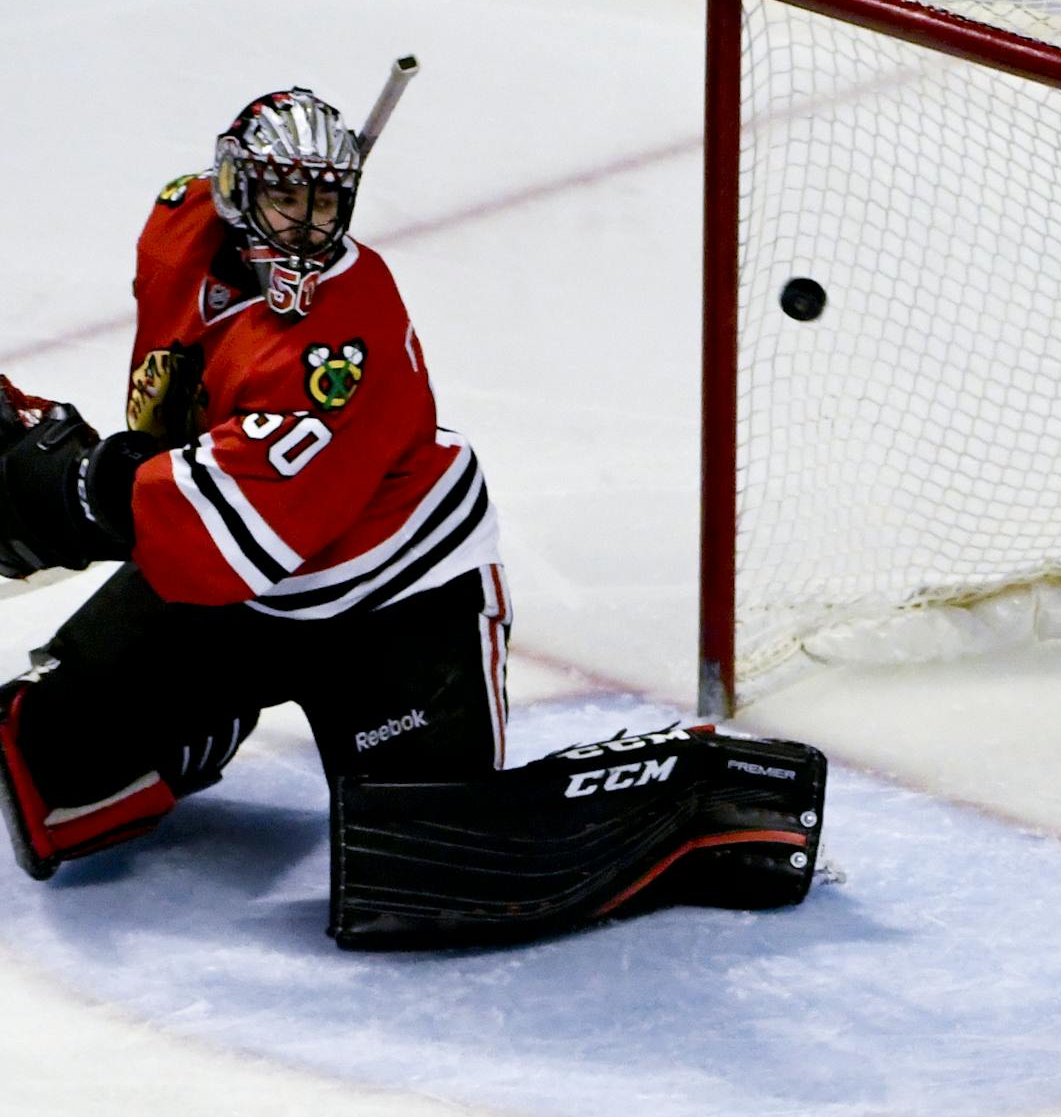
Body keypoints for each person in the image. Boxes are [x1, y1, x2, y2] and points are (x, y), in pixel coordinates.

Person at [0, 87, 826, 945]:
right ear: (236, 188)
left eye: (326, 201)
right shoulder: (180, 219)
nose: (308, 224)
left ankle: (691, 790)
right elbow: (174, 403)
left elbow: (232, 530)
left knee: (430, 873)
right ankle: (200, 721)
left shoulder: (335, 343)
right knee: (51, 776)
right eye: (287, 195)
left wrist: (66, 481)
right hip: (252, 582)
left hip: (393, 599)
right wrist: (50, 451)